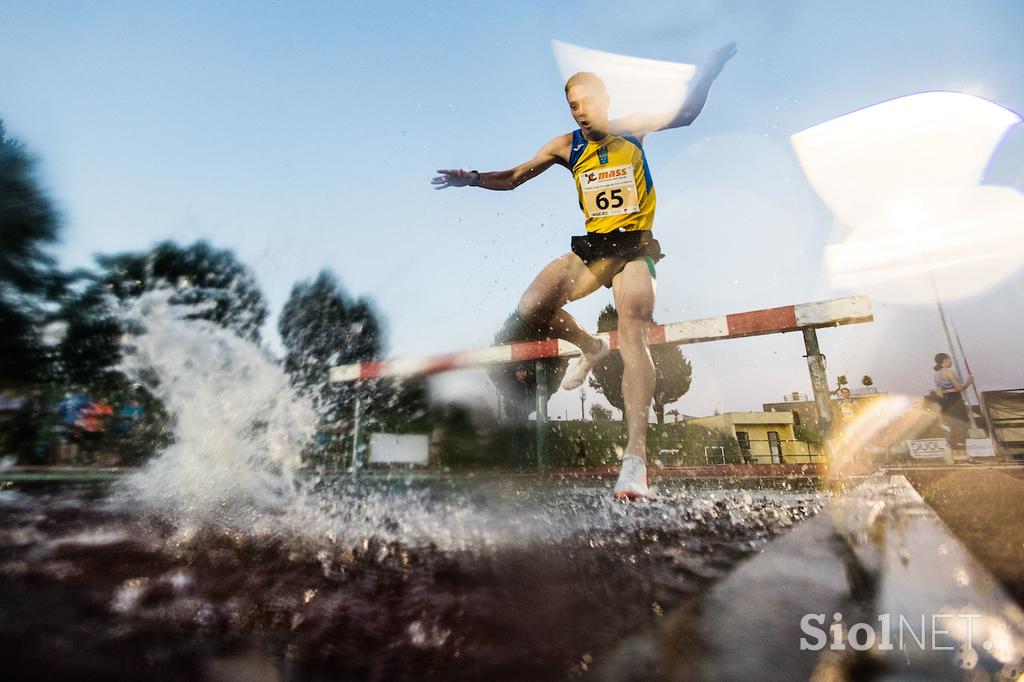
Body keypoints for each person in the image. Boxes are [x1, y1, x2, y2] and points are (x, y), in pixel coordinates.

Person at [433, 43, 737, 498]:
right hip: (594, 250)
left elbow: (688, 113)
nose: (579, 112)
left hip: (634, 247)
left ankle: (635, 460)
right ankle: (589, 346)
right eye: (572, 105)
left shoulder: (632, 128)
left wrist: (709, 70)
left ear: (605, 101)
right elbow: (514, 176)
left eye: (586, 102)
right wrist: (474, 178)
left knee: (633, 329)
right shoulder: (566, 146)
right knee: (532, 306)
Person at [933, 352, 973, 463]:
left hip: (945, 402)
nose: (951, 361)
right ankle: (962, 456)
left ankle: (957, 457)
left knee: (954, 427)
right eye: (950, 359)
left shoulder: (937, 374)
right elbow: (959, 387)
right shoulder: (948, 372)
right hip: (955, 400)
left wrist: (947, 393)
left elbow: (939, 392)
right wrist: (968, 382)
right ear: (945, 360)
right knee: (961, 427)